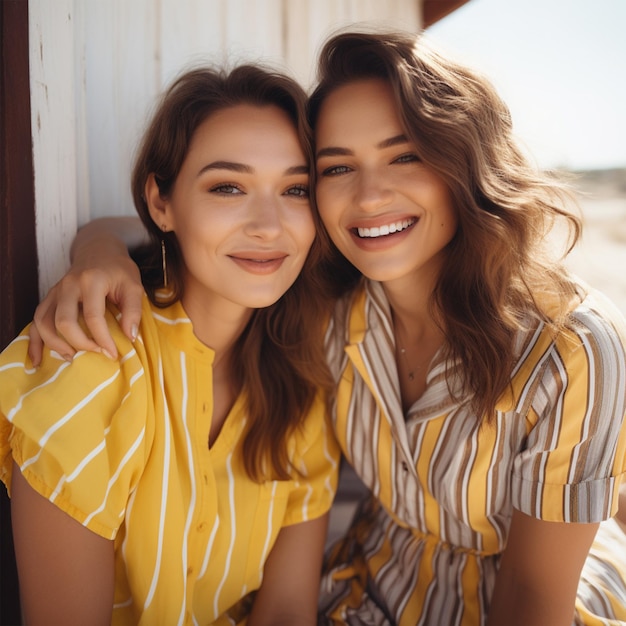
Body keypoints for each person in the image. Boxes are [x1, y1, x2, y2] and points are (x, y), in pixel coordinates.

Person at [24, 29, 626, 626]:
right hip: (374, 585)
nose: (369, 196)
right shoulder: (326, 313)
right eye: (337, 169)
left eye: (405, 155)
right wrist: (99, 252)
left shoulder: (568, 349)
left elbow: (533, 595)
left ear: (464, 163)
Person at [0, 63, 341, 625]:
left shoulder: (303, 386)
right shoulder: (93, 364)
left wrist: (100, 245)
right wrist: (101, 249)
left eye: (295, 188)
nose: (268, 225)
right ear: (160, 202)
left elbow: (285, 611)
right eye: (228, 186)